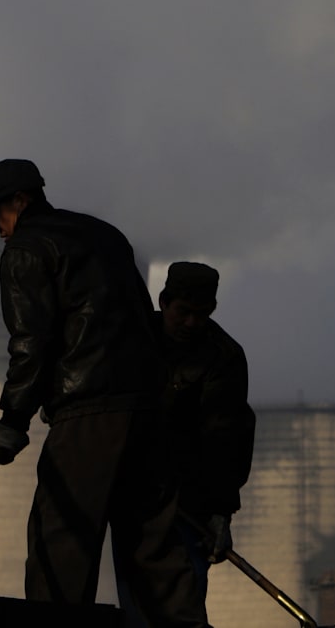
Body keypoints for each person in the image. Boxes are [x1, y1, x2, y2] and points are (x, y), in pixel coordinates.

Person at [0, 159, 194, 625]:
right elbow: (144, 321)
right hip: (148, 412)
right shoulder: (106, 235)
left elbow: (31, 343)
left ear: (20, 201)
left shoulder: (26, 250)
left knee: (61, 543)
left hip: (88, 415)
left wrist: (12, 420)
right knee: (155, 549)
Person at [117, 261, 255, 628]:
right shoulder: (132, 337)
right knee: (137, 604)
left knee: (182, 605)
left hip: (189, 504)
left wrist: (221, 512)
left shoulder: (224, 356)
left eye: (202, 314)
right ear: (163, 302)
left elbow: (228, 437)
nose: (192, 323)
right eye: (184, 312)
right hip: (133, 494)